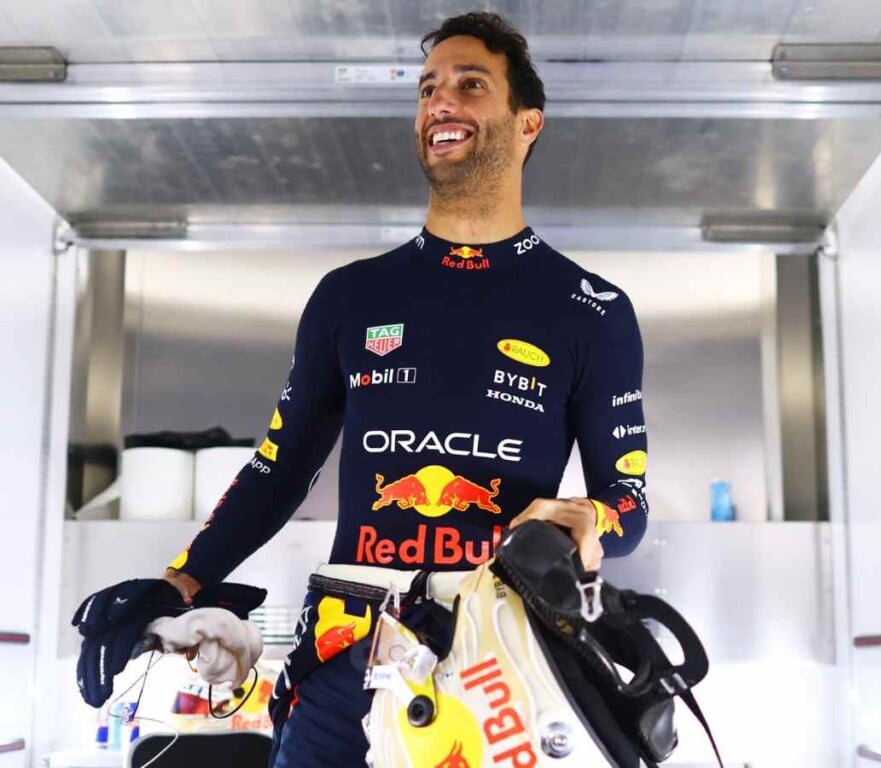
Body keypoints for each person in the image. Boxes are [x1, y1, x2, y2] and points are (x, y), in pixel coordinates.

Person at [160, 11, 649, 767]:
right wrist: (181, 584)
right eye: (428, 89)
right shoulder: (349, 298)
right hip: (342, 662)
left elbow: (630, 504)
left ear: (527, 124)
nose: (440, 103)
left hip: (499, 668)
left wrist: (589, 519)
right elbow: (278, 466)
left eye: (469, 85)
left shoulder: (594, 311)